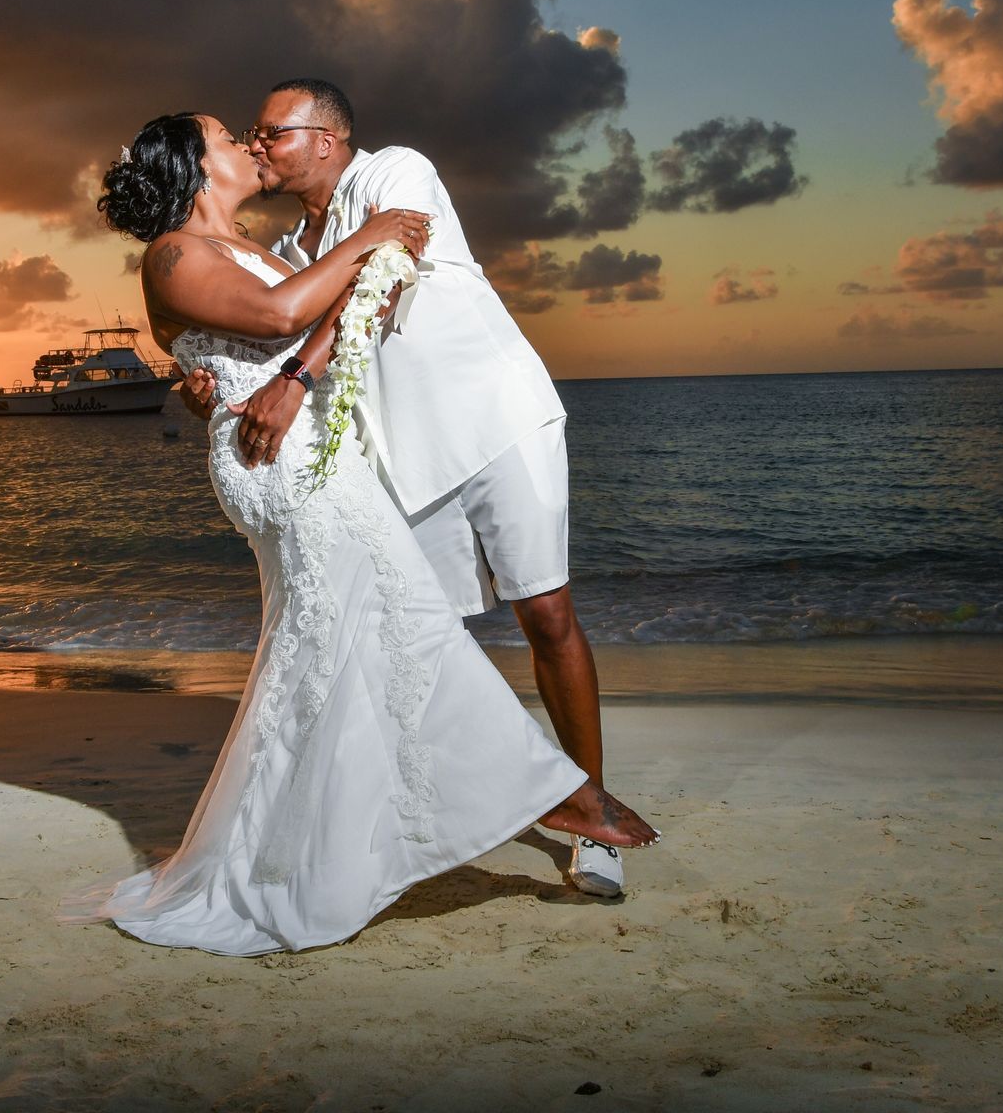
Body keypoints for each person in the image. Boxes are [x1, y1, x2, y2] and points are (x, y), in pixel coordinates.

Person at [94, 112, 656, 957]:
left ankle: (326, 845)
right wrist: (373, 239)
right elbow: (280, 313)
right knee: (405, 621)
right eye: (227, 137)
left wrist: (216, 374)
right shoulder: (174, 252)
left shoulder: (254, 244)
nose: (246, 144)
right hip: (281, 463)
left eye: (258, 132)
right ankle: (557, 796)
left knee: (338, 646)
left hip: (317, 453)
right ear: (194, 166)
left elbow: (291, 324)